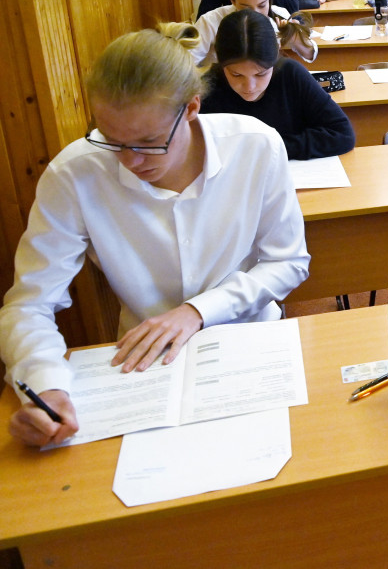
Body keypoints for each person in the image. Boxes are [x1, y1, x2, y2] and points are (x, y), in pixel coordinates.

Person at [0, 24, 310, 448]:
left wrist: (196, 311)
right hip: (143, 365)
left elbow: (288, 261)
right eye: (113, 141)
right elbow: (29, 303)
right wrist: (45, 384)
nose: (130, 161)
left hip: (246, 343)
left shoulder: (256, 146)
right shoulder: (75, 173)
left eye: (148, 142)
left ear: (192, 108)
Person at [202, 10, 355, 160]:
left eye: (261, 74)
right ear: (220, 62)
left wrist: (270, 148)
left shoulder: (291, 74)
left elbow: (343, 134)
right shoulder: (208, 86)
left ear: (275, 55)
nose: (249, 87)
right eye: (236, 75)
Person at [194, 0, 317, 67]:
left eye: (262, 5)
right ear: (232, 1)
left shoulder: (279, 14)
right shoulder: (210, 21)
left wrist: (296, 39)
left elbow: (310, 54)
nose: (255, 13)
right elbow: (188, 64)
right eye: (246, 8)